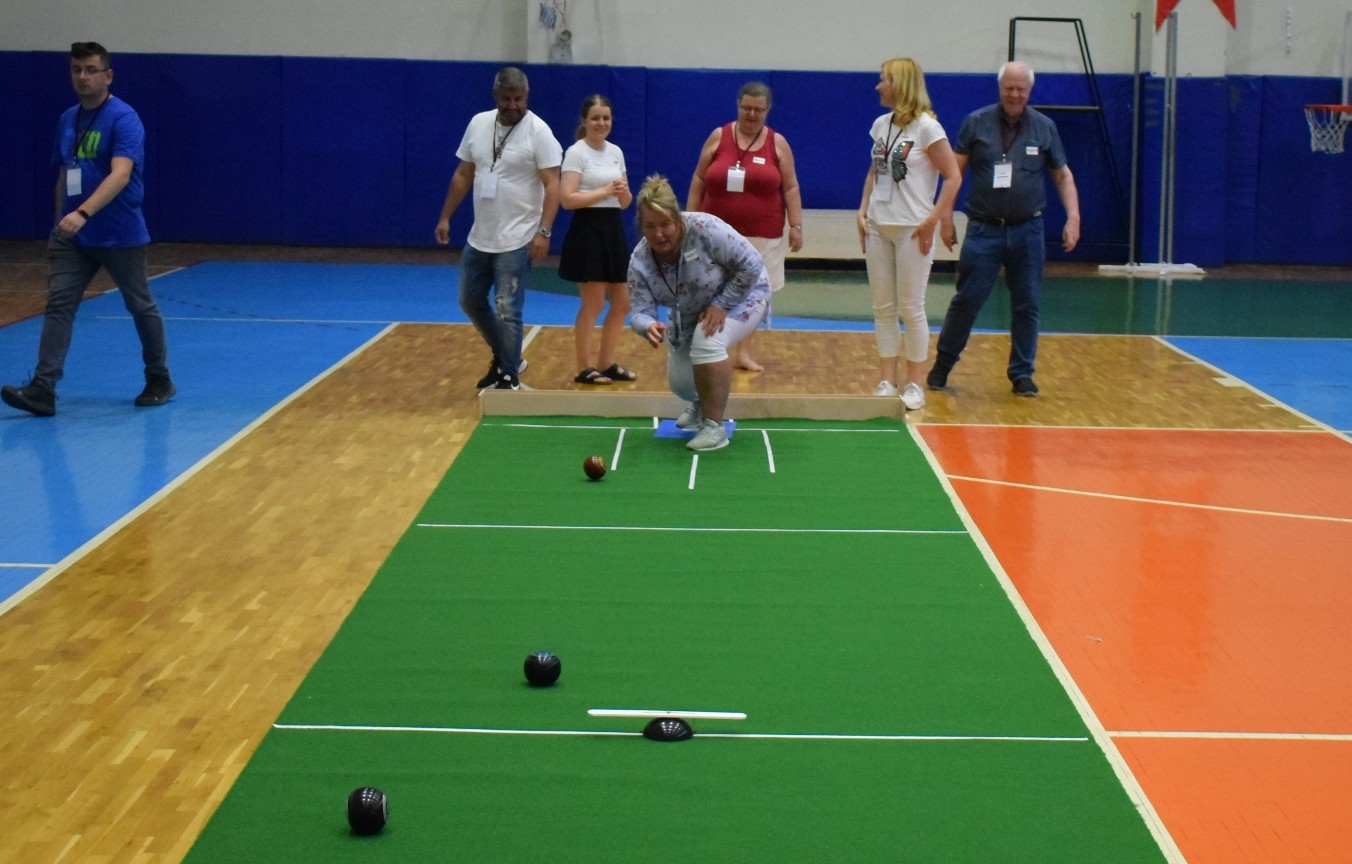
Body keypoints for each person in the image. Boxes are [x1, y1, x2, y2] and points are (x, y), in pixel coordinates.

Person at [2, 42, 174, 418]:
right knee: (59, 305)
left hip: (119, 233)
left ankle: (159, 377)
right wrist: (58, 224)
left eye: (90, 69)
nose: (82, 76)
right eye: (76, 69)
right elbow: (64, 173)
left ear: (107, 75)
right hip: (73, 238)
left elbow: (121, 174)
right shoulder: (68, 119)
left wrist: (82, 212)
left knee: (139, 305)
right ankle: (43, 388)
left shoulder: (124, 119)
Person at [927, 61, 1080, 397]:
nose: (1014, 94)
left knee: (1027, 304)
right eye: (1008, 87)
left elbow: (1062, 175)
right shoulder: (976, 122)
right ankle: (942, 365)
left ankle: (1022, 374)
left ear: (1029, 91)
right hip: (984, 230)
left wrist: (1073, 216)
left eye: (1020, 88)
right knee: (967, 300)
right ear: (1000, 88)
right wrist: (947, 218)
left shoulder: (1044, 127)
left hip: (1028, 230)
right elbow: (954, 174)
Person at [435, 66, 562, 391]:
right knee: (470, 299)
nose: (513, 105)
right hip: (481, 237)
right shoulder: (478, 124)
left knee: (508, 309)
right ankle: (508, 355)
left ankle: (508, 374)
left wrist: (543, 231)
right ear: (496, 96)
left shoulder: (539, 132)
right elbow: (464, 173)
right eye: (507, 98)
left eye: (519, 99)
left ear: (527, 97)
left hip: (518, 238)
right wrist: (446, 216)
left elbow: (553, 184)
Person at [628, 176, 770, 453]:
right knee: (681, 384)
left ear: (677, 219)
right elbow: (638, 309)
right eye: (650, 226)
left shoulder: (707, 229)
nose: (659, 234)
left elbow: (752, 265)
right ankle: (700, 402)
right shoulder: (640, 261)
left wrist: (721, 304)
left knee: (707, 340)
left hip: (744, 294)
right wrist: (647, 325)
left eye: (665, 224)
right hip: (691, 310)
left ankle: (714, 426)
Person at [857, 57, 961, 412]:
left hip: (912, 229)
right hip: (878, 225)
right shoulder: (880, 125)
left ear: (900, 84)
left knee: (911, 307)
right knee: (882, 307)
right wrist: (863, 209)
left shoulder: (928, 129)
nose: (878, 86)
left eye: (883, 79)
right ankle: (887, 379)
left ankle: (915, 383)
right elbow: (875, 172)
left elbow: (953, 176)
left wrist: (934, 219)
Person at [687, 81, 803, 372]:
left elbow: (790, 187)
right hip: (715, 234)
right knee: (711, 287)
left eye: (758, 110)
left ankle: (744, 353)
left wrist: (796, 225)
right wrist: (689, 220)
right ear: (738, 105)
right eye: (746, 108)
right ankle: (709, 345)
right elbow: (699, 179)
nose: (751, 115)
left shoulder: (777, 143)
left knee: (754, 294)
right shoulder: (718, 136)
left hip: (763, 235)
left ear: (767, 111)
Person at [558, 94, 636, 385]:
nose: (601, 123)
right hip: (588, 230)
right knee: (592, 304)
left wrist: (622, 192)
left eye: (606, 118)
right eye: (595, 118)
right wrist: (604, 192)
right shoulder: (576, 152)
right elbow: (567, 199)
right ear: (584, 121)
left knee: (623, 302)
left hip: (613, 229)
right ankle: (583, 367)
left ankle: (606, 363)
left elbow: (625, 202)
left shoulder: (616, 151)